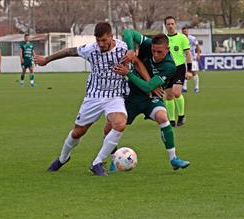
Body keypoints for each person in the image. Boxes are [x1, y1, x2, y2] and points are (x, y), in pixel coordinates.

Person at [34, 22, 149, 176]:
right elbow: (69, 51)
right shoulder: (91, 49)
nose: (101, 44)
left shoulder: (123, 49)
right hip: (94, 96)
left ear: (111, 37)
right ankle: (62, 158)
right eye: (98, 40)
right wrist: (47, 59)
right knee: (78, 132)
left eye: (104, 40)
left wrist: (149, 84)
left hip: (115, 96)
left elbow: (137, 62)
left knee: (120, 124)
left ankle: (97, 162)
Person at [108, 30, 190, 170]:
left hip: (150, 98)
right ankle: (114, 160)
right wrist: (131, 50)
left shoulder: (170, 66)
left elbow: (148, 87)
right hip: (131, 97)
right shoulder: (147, 44)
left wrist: (128, 73)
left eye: (160, 52)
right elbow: (128, 32)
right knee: (109, 127)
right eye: (154, 51)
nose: (156, 55)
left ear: (168, 49)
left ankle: (173, 159)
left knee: (162, 117)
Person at [164, 16, 192, 127]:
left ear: (175, 24)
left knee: (176, 93)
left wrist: (189, 70)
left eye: (172, 24)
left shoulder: (182, 38)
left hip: (179, 68)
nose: (170, 26)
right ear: (165, 26)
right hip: (166, 69)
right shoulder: (163, 39)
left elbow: (188, 54)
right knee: (169, 95)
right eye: (168, 24)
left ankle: (181, 115)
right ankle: (171, 120)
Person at [181, 26, 201, 93]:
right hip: (183, 58)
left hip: (192, 57)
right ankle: (184, 88)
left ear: (188, 31)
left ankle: (196, 87)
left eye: (186, 31)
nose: (185, 33)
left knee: (194, 72)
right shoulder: (180, 39)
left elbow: (197, 46)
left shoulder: (192, 38)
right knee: (184, 72)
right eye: (183, 32)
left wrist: (198, 54)